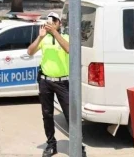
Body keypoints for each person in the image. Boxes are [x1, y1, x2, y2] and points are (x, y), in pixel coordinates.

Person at [27, 12, 87, 157]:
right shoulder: (44, 38)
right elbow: (30, 51)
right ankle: (51, 144)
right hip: (46, 81)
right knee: (47, 114)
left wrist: (55, 33)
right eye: (49, 21)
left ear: (59, 23)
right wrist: (40, 36)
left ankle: (77, 145)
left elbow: (69, 49)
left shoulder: (66, 37)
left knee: (70, 115)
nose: (51, 23)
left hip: (63, 82)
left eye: (54, 21)